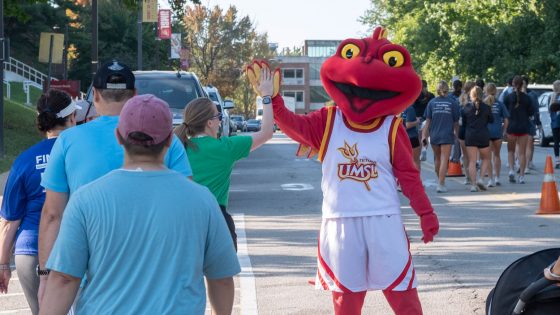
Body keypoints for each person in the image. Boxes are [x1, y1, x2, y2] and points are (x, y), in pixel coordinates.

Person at [39, 94, 239, 314]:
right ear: (171, 140)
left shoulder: (85, 200)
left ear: (118, 136)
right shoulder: (202, 200)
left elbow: (65, 279)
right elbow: (221, 279)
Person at [37, 60, 193, 303]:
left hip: (92, 279)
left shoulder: (67, 141)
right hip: (158, 279)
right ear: (135, 96)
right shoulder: (168, 140)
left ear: (95, 95)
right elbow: (185, 205)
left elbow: (52, 215)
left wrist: (46, 274)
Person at [174, 68, 274, 251]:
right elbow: (267, 132)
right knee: (222, 280)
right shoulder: (225, 148)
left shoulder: (177, 147)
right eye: (218, 116)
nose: (221, 120)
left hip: (184, 221)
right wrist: (266, 96)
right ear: (210, 123)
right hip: (217, 219)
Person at [0, 89, 79, 314]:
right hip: (74, 247)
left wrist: (3, 263)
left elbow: (9, 220)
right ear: (72, 118)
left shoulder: (24, 160)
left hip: (31, 251)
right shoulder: (81, 153)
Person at [422, 80, 460, 193]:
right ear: (447, 89)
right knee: (444, 159)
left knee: (437, 158)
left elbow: (427, 121)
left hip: (434, 134)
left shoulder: (431, 103)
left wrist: (424, 135)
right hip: (447, 134)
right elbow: (456, 122)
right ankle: (441, 183)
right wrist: (457, 135)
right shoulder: (452, 103)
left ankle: (440, 180)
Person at [462, 86, 493, 192]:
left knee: (472, 161)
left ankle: (473, 185)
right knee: (486, 158)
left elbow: (464, 123)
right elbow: (491, 120)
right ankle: (481, 178)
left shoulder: (466, 107)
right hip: (483, 135)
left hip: (470, 135)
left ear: (471, 95)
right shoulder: (487, 107)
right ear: (482, 95)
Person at [504, 75, 533, 184]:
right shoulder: (527, 98)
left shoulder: (508, 97)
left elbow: (505, 112)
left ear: (513, 84)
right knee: (522, 153)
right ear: (522, 85)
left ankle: (511, 170)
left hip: (511, 127)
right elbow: (531, 112)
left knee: (511, 151)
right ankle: (521, 176)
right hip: (524, 127)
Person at [484, 83, 509, 186]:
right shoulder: (500, 104)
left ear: (486, 91)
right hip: (497, 132)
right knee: (497, 155)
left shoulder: (483, 104)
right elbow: (506, 120)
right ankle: (497, 178)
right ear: (496, 91)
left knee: (488, 157)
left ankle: (490, 179)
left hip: (486, 133)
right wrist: (504, 131)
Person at [522, 76, 541, 171]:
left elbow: (536, 109)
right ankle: (526, 164)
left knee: (526, 144)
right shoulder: (531, 95)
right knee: (527, 144)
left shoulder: (516, 94)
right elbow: (535, 109)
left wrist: (537, 121)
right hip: (528, 121)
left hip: (525, 121)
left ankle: (526, 163)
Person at [458, 81, 476, 184]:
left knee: (465, 155)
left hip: (462, 129)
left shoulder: (460, 100)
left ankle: (467, 176)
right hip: (472, 129)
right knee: (472, 156)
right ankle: (473, 177)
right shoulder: (475, 100)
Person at [414, 80, 434, 162]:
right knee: (426, 136)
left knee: (419, 137)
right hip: (428, 118)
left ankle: (420, 152)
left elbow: (412, 106)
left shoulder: (416, 95)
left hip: (418, 118)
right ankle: (424, 149)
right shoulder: (431, 96)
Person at [401, 105, 421, 171]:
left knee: (403, 161)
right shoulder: (409, 108)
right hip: (411, 137)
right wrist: (417, 121)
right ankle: (417, 180)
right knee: (415, 160)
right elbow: (408, 125)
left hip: (400, 137)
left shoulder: (397, 108)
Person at [549, 80, 560, 168]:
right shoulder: (552, 96)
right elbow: (551, 109)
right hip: (556, 122)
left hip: (555, 122)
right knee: (556, 142)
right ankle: (557, 160)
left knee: (556, 141)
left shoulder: (552, 96)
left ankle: (557, 160)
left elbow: (550, 109)